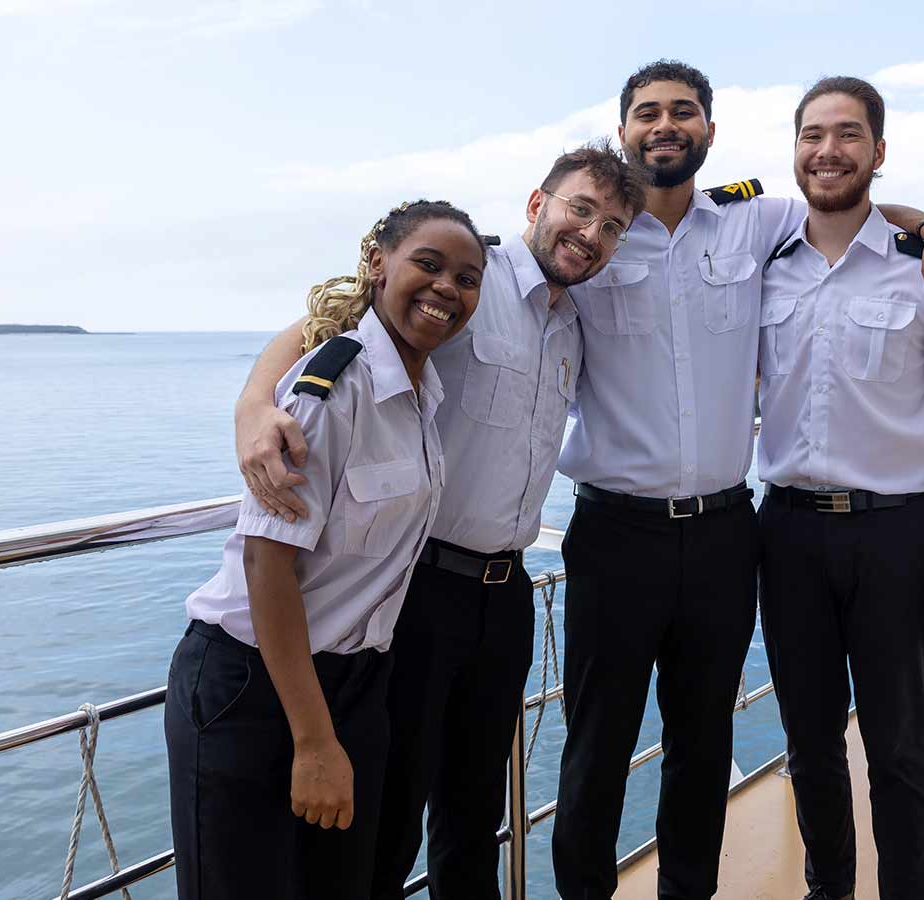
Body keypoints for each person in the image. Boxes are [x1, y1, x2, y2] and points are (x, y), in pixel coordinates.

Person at [550, 60, 924, 900]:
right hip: (647, 534)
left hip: (752, 533)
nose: (666, 125)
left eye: (684, 112)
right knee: (605, 745)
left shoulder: (754, 226)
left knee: (724, 742)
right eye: (648, 113)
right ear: (623, 133)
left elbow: (852, 211)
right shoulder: (592, 240)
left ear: (712, 132)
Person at [231, 140, 649, 898]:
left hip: (507, 589)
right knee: (391, 812)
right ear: (537, 205)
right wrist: (255, 407)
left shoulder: (575, 324)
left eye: (612, 225)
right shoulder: (467, 281)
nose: (591, 234)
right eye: (579, 210)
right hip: (421, 589)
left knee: (475, 807)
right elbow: (318, 328)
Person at [164, 200, 487, 900]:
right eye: (427, 265)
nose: (446, 289)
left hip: (357, 686)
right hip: (251, 688)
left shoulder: (423, 394)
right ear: (377, 266)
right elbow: (266, 565)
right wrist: (312, 743)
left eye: (467, 279)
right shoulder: (331, 388)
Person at [755, 77, 924, 900]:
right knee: (809, 743)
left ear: (879, 152)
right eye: (813, 135)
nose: (828, 151)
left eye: (849, 135)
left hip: (896, 537)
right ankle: (829, 890)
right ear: (794, 148)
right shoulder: (763, 263)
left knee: (899, 746)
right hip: (786, 533)